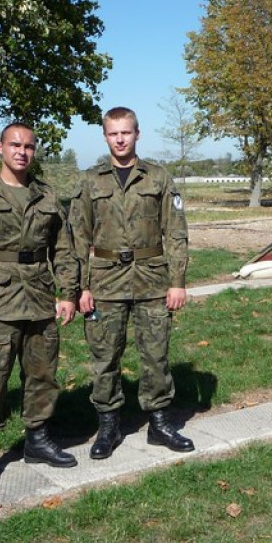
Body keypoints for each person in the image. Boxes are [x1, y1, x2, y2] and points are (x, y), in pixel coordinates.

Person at [0, 122, 80, 490]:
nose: (22, 152)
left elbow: (63, 249)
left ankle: (37, 439)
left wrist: (68, 293)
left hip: (39, 296)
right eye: (15, 145)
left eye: (29, 146)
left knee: (42, 375)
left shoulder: (47, 196)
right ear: (1, 148)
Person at [68, 106, 194, 458]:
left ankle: (159, 422)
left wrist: (177, 281)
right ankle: (108, 425)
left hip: (152, 279)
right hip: (105, 281)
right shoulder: (91, 181)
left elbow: (176, 232)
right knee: (105, 355)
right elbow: (78, 237)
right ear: (105, 136)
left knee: (156, 354)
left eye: (126, 132)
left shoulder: (158, 177)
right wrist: (81, 287)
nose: (120, 139)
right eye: (113, 133)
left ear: (137, 134)